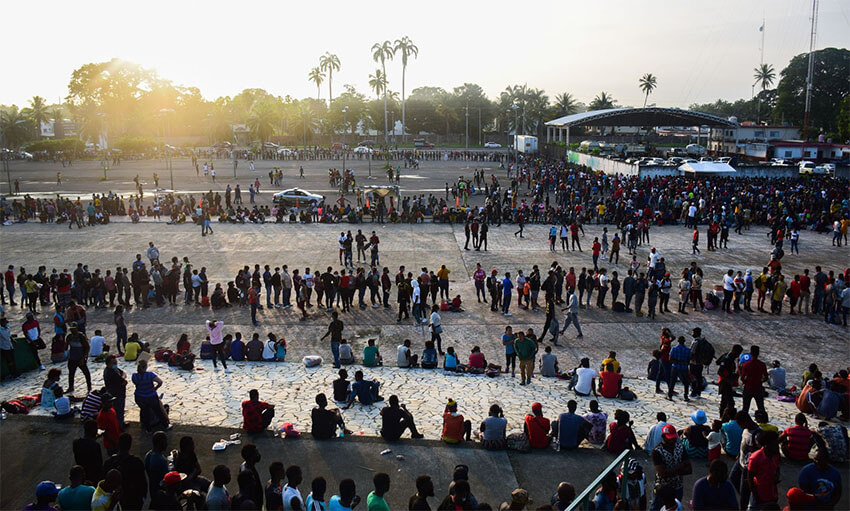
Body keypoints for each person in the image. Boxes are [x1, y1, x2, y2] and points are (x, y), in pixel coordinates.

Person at [651, 424, 692, 511]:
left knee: (675, 508)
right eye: (670, 438)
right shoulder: (657, 451)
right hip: (662, 488)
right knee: (656, 507)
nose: (673, 440)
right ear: (663, 437)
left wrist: (670, 471)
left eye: (674, 438)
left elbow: (689, 469)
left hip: (677, 486)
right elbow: (663, 474)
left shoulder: (680, 447)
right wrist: (680, 467)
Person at [102, 433, 148, 510]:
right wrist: (142, 499)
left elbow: (103, 482)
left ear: (118, 444)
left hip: (113, 501)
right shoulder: (136, 462)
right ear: (130, 445)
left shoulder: (109, 462)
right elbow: (142, 484)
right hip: (132, 501)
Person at [798, 446, 843, 510]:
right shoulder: (806, 470)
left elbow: (838, 492)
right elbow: (803, 490)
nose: (817, 462)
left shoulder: (835, 473)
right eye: (815, 459)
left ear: (827, 460)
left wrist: (830, 504)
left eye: (820, 460)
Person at [132, 359, 170, 432]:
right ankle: (165, 425)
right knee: (158, 411)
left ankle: (148, 429)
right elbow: (160, 382)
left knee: (145, 412)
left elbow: (135, 383)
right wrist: (155, 388)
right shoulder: (150, 375)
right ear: (145, 367)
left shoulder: (134, 376)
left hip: (139, 396)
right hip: (151, 396)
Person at [747, 430, 782, 509]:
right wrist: (756, 497)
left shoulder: (775, 455)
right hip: (759, 494)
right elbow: (750, 478)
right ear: (767, 445)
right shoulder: (755, 458)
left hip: (772, 493)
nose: (777, 446)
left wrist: (777, 476)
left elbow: (777, 468)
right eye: (775, 444)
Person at [73, 420, 104, 487]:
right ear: (94, 431)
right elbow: (99, 464)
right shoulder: (95, 445)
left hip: (81, 474)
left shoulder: (76, 443)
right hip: (93, 476)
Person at [144, 431, 170, 502]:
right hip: (162, 492)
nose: (167, 444)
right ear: (159, 443)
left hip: (153, 490)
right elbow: (167, 479)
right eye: (165, 441)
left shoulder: (148, 455)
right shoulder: (161, 460)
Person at [667, 336, 691, 402]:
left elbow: (670, 359)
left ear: (678, 341)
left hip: (675, 367)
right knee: (686, 383)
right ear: (684, 341)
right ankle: (686, 396)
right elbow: (689, 360)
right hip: (684, 368)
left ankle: (670, 395)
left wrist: (677, 362)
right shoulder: (687, 350)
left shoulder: (674, 349)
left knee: (672, 382)